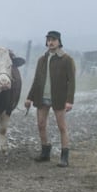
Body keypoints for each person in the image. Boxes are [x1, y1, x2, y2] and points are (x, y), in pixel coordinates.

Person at [24, 31, 77, 167]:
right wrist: (29, 98)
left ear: (59, 42)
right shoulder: (42, 59)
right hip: (42, 96)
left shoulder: (67, 59)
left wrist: (69, 101)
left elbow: (72, 81)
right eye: (48, 40)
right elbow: (36, 80)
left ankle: (64, 157)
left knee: (62, 126)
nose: (51, 42)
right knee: (41, 124)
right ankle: (45, 152)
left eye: (53, 40)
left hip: (59, 98)